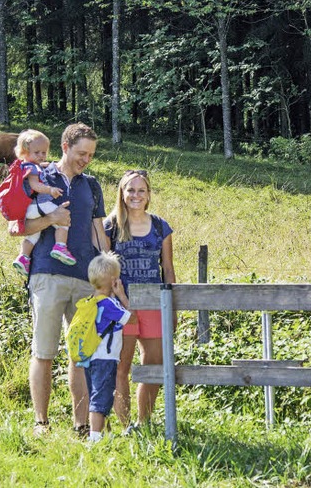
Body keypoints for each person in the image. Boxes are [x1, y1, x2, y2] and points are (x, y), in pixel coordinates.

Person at [9, 122, 108, 436]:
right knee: (44, 352)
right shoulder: (37, 176)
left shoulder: (91, 185)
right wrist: (50, 219)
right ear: (65, 147)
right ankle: (41, 422)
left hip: (84, 279)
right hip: (47, 275)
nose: (86, 159)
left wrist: (108, 274)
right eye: (81, 153)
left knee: (80, 355)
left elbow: (99, 232)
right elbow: (17, 227)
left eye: (91, 154)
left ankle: (80, 425)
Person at [104, 169, 176, 428]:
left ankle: (144, 422)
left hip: (154, 303)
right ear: (122, 194)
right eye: (130, 190)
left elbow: (167, 268)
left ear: (148, 195)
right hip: (122, 306)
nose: (136, 195)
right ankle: (125, 427)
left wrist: (172, 308)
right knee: (121, 367)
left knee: (154, 365)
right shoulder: (110, 226)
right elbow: (103, 268)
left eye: (141, 190)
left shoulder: (160, 226)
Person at [83, 252, 132, 444]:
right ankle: (95, 438)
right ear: (114, 281)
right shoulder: (110, 304)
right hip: (106, 357)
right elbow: (131, 317)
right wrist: (122, 295)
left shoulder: (89, 302)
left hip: (90, 355)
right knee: (101, 398)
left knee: (100, 394)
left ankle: (104, 433)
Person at [12, 129, 76, 277]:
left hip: (29, 209)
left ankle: (23, 257)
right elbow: (35, 185)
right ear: (25, 151)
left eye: (44, 152)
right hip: (40, 204)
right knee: (63, 219)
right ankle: (60, 247)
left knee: (32, 236)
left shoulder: (26, 166)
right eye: (37, 153)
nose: (41, 156)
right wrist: (50, 190)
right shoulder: (32, 168)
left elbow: (37, 168)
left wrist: (45, 164)